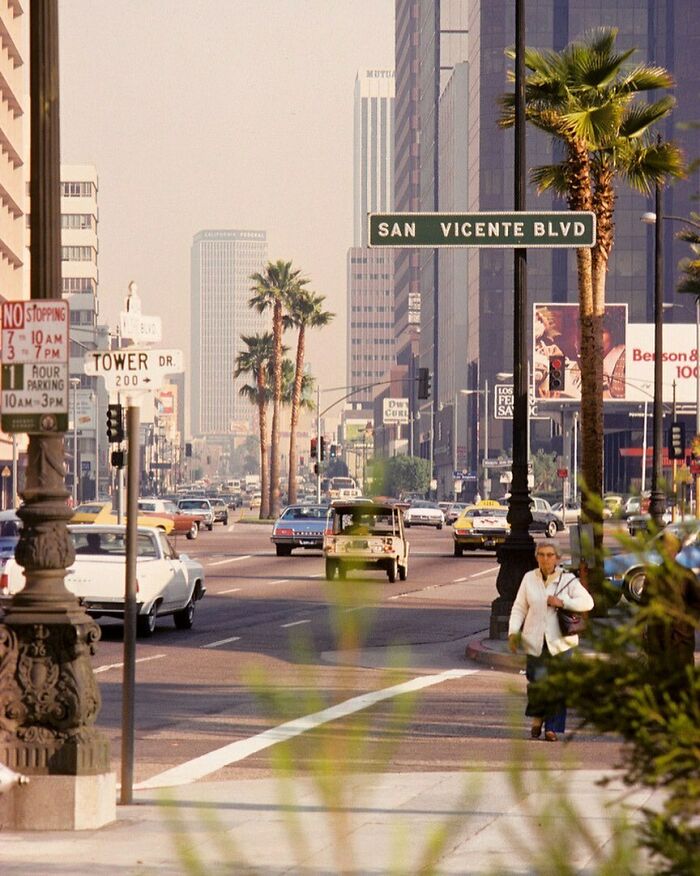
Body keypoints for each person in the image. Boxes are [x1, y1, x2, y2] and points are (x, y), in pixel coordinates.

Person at [508, 542, 594, 741]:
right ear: (536, 557)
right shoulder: (529, 578)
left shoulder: (568, 580)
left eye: (549, 555)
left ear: (557, 558)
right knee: (537, 681)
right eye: (541, 555)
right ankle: (538, 715)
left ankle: (552, 728)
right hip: (534, 640)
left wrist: (563, 602)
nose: (545, 559)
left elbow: (588, 602)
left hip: (561, 643)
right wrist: (513, 632)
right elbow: (520, 607)